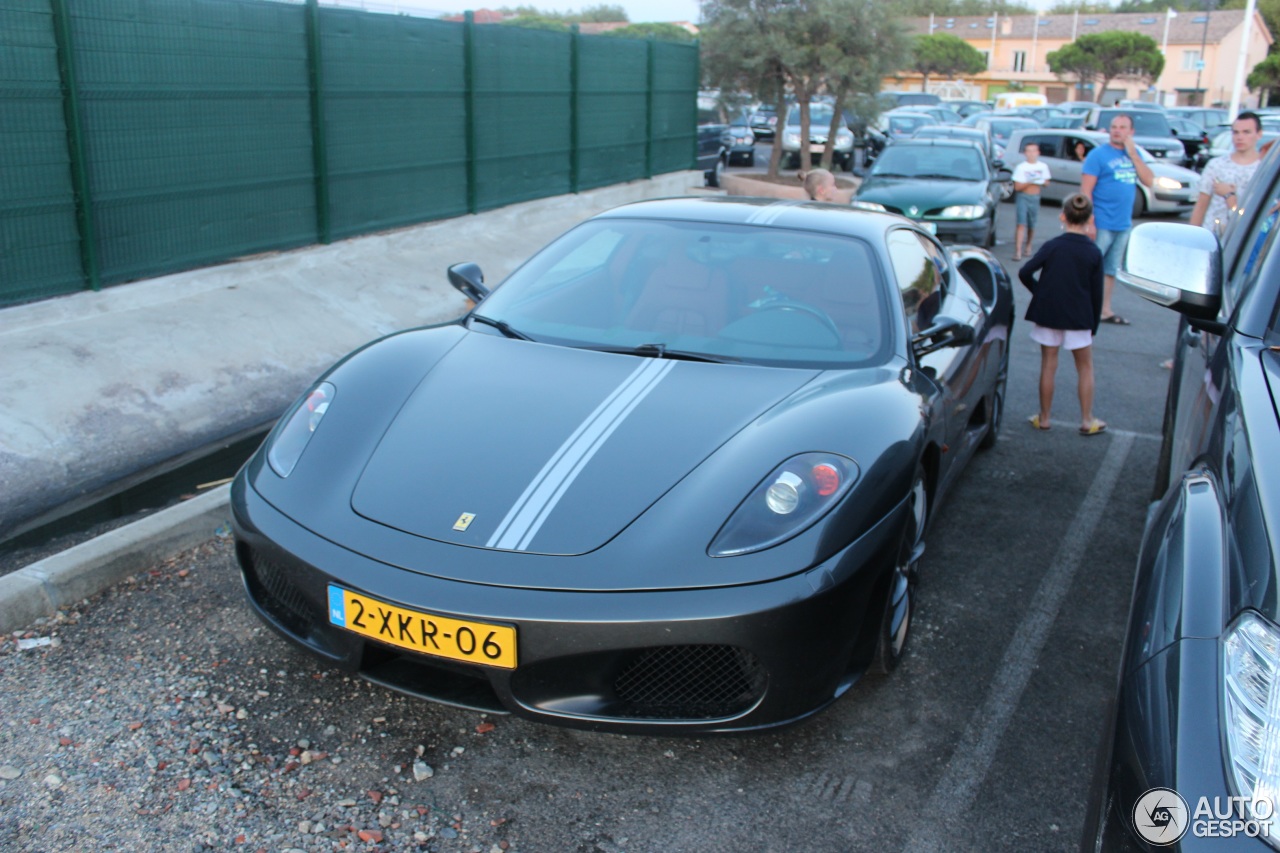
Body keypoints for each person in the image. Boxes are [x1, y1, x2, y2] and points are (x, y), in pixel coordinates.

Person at [1019, 193, 1107, 436]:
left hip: (1049, 313)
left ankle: (1045, 417)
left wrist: (1041, 295)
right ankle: (1087, 420)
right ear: (1090, 218)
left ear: (1063, 216)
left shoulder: (1053, 246)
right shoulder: (1093, 252)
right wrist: (1094, 325)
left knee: (1048, 364)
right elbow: (1097, 294)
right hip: (1079, 316)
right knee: (1085, 367)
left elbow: (1025, 272)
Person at [1079, 113, 1154, 326]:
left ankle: (1104, 309)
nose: (1117, 130)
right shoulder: (1098, 155)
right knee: (1089, 267)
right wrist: (1089, 221)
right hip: (1102, 221)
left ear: (1131, 132)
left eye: (1122, 127)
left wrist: (1133, 154)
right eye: (1114, 127)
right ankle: (1080, 306)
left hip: (1123, 223)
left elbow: (1149, 181)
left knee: (1110, 269)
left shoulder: (1134, 154)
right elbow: (1086, 190)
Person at [1190, 111, 1263, 237]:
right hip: (1212, 236)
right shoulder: (1216, 165)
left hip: (1245, 239)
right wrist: (1190, 237)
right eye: (1236, 132)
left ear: (1259, 134)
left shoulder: (1263, 169)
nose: (1240, 137)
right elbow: (1201, 204)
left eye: (1246, 132)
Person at [1011, 142, 1051, 261]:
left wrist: (1041, 181)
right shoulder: (1021, 167)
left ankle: (1028, 244)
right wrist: (1030, 181)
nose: (1031, 154)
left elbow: (1047, 182)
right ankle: (1018, 251)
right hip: (1023, 197)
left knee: (1031, 224)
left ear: (1038, 153)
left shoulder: (1043, 166)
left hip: (1035, 197)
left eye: (1034, 151)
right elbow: (1017, 187)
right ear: (1025, 153)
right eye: (1029, 151)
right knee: (1021, 223)